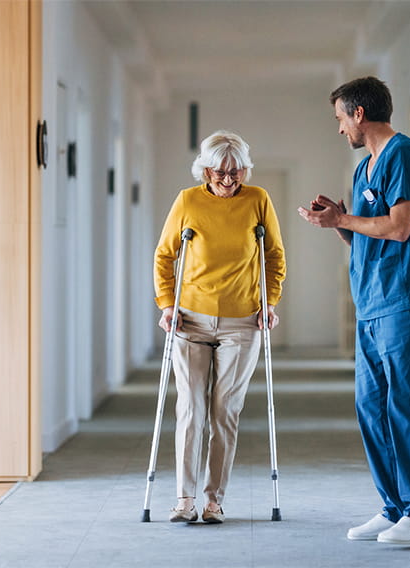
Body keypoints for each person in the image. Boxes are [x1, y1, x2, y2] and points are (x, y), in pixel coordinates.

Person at [298, 76, 410, 545]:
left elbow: (401, 227)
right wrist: (339, 223)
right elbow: (369, 232)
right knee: (371, 406)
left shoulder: (403, 155)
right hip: (371, 300)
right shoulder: (366, 166)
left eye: (341, 118)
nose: (340, 129)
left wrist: (343, 219)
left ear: (359, 114)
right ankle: (392, 507)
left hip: (404, 297)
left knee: (405, 403)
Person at [154, 130, 286, 524]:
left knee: (224, 411)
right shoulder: (187, 201)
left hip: (241, 322)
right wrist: (167, 304)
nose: (229, 180)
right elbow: (165, 257)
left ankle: (214, 499)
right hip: (190, 319)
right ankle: (184, 498)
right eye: (220, 172)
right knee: (191, 409)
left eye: (236, 171)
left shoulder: (258, 200)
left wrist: (270, 301)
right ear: (205, 170)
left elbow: (274, 257)